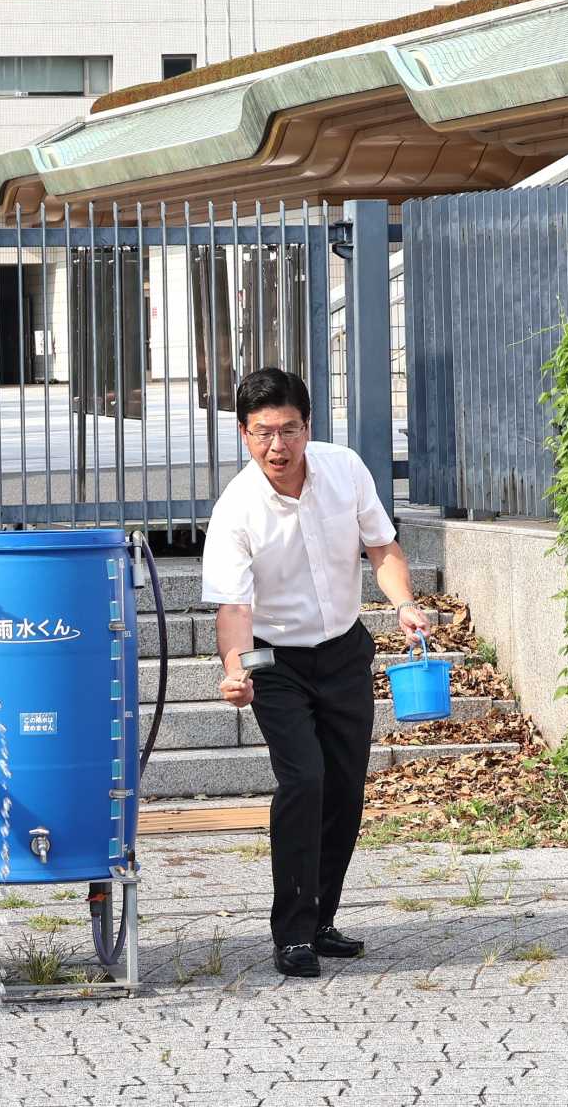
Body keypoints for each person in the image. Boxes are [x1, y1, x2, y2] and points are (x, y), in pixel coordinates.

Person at [201, 367, 429, 979]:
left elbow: (381, 549)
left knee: (345, 786)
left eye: (290, 430)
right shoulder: (236, 510)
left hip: (344, 650)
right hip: (275, 661)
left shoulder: (345, 469)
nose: (279, 446)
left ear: (308, 426)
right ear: (245, 435)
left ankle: (322, 917)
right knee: (303, 781)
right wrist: (235, 669)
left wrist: (404, 604)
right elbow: (235, 608)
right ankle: (293, 932)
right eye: (263, 433)